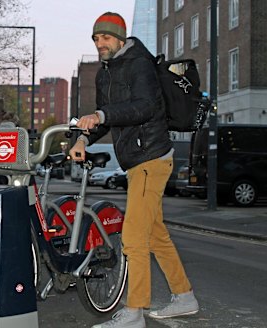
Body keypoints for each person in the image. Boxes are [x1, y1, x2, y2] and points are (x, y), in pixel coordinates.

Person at [69, 12, 199, 328]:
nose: (100, 44)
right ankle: (184, 296)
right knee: (155, 235)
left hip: (150, 157)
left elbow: (145, 107)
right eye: (96, 39)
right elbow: (108, 118)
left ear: (120, 38)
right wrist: (83, 137)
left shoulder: (139, 64)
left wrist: (99, 114)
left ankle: (134, 311)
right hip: (138, 160)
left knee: (133, 237)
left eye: (106, 38)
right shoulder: (105, 73)